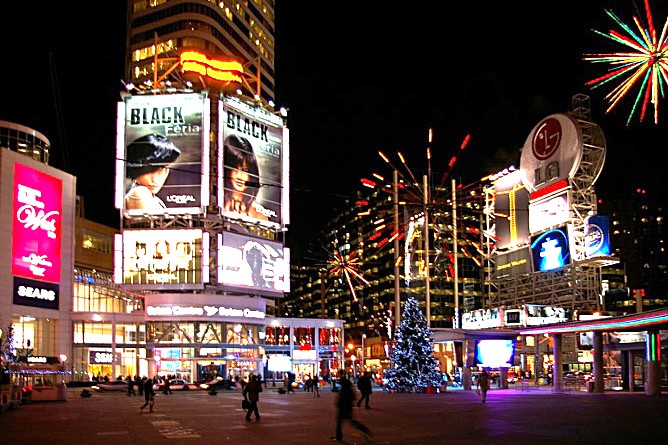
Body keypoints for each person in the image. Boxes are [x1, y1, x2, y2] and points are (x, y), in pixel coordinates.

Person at [124, 133, 181, 211]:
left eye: (162, 168)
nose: (155, 179)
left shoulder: (154, 199)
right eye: (149, 170)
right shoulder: (140, 193)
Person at [222, 134, 268, 220]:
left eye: (245, 170)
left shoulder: (258, 215)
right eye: (234, 168)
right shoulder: (217, 204)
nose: (239, 176)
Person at [331, 372, 372, 442]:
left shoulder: (344, 386)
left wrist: (339, 403)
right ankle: (365, 430)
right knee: (348, 422)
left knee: (343, 421)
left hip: (344, 406)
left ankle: (339, 437)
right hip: (346, 406)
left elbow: (343, 396)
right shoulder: (347, 385)